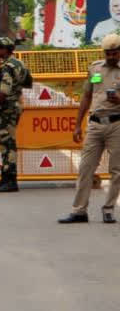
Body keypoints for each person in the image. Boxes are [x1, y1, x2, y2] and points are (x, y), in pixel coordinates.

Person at [59, 33, 120, 223]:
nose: (110, 56)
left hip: (116, 124)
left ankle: (108, 209)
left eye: (114, 53)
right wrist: (77, 125)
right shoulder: (95, 69)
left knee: (117, 170)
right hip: (94, 124)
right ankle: (79, 210)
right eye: (108, 53)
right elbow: (86, 96)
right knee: (85, 168)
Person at [0, 37, 28, 193]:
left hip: (6, 109)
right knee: (7, 143)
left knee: (7, 145)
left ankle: (10, 180)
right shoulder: (19, 63)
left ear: (4, 49)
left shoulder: (6, 67)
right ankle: (4, 179)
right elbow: (28, 82)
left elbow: (4, 90)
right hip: (15, 105)